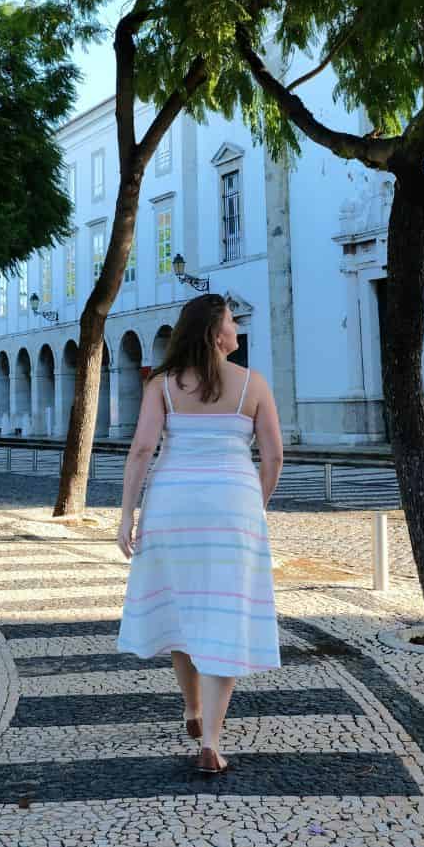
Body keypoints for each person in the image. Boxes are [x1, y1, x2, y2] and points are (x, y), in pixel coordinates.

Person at [116, 293, 284, 775]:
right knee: (222, 615)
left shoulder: (163, 387)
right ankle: (210, 739)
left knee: (182, 606)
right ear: (216, 335)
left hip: (172, 505)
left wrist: (127, 515)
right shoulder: (253, 385)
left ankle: (190, 710)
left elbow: (142, 451)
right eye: (232, 322)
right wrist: (256, 505)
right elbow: (272, 458)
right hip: (232, 506)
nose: (236, 329)